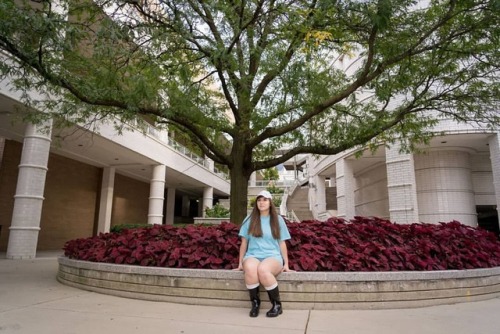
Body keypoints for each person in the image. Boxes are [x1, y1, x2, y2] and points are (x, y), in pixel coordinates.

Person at [235, 190, 292, 318]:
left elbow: (282, 243)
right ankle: (255, 303)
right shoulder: (249, 219)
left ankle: (277, 305)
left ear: (270, 202)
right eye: (259, 200)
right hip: (253, 255)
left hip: (273, 256)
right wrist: (240, 263)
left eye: (265, 200)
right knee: (249, 268)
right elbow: (244, 243)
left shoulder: (278, 220)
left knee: (263, 269)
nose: (261, 203)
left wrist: (286, 264)